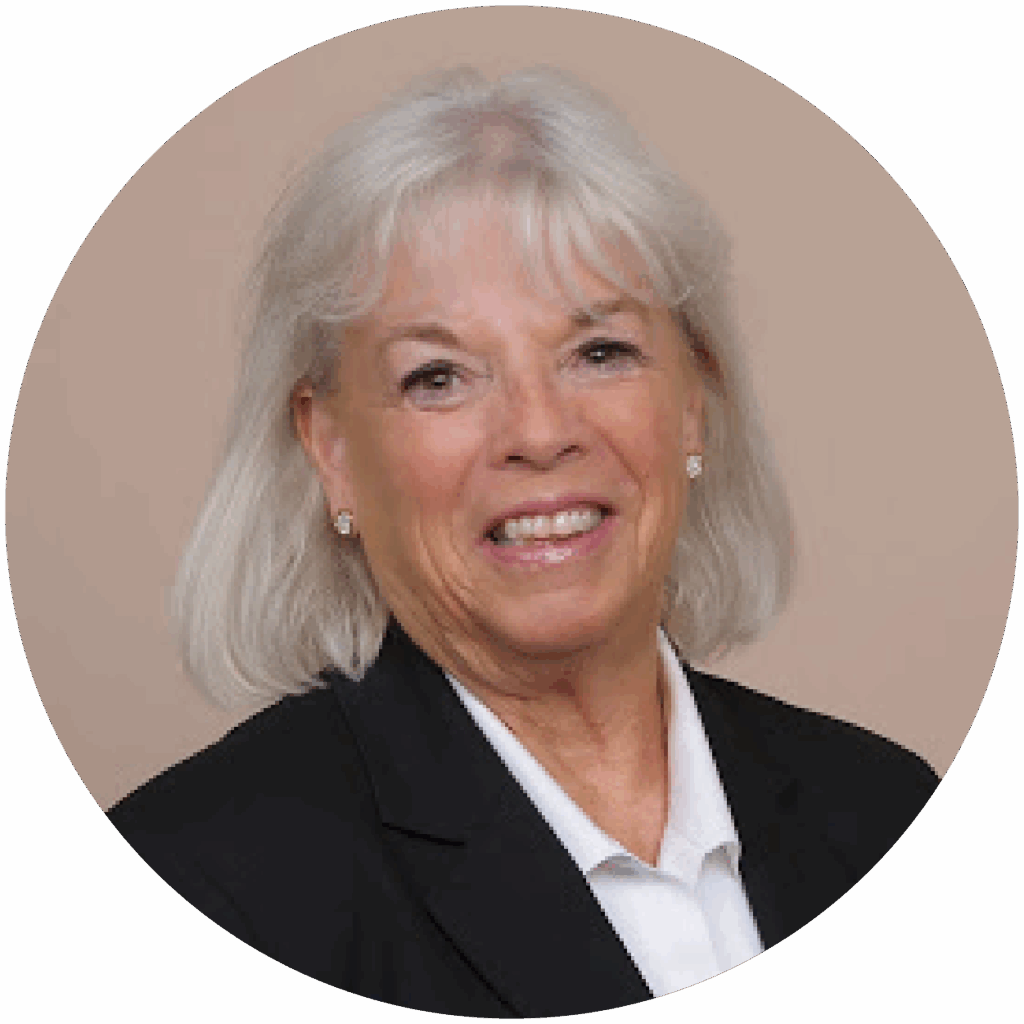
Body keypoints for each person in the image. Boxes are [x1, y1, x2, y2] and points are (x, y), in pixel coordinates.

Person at [108, 66, 939, 1017]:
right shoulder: (202, 888)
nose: (540, 433)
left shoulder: (887, 814)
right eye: (439, 377)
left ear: (695, 403)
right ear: (331, 450)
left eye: (600, 352)